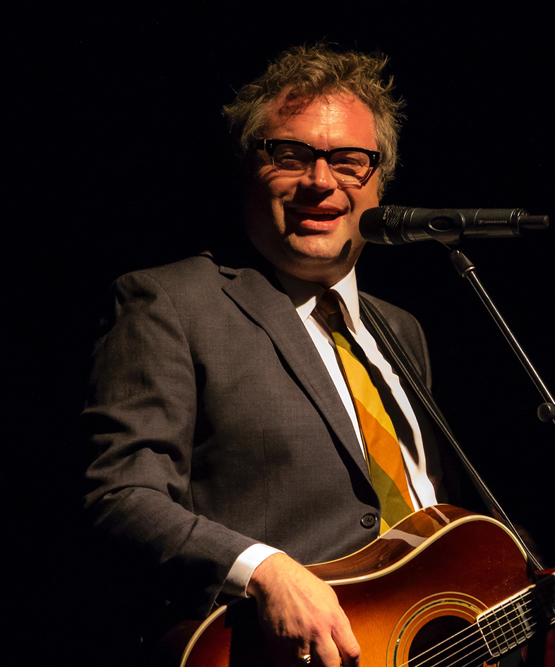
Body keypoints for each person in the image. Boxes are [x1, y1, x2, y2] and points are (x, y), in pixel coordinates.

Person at [82, 45, 463, 667]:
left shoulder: (401, 330)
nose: (321, 181)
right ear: (248, 169)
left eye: (349, 161)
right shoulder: (170, 302)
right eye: (291, 155)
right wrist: (263, 570)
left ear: (380, 184)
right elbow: (120, 496)